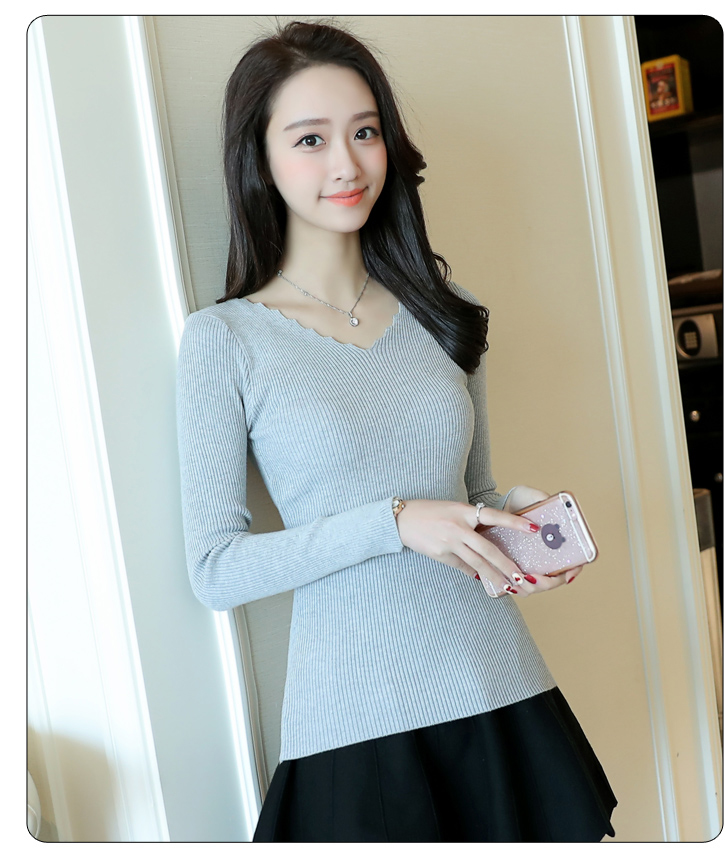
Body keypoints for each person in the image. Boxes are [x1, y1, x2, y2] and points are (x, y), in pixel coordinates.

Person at [176, 19, 617, 842]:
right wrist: (394, 521)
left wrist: (518, 528)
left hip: (500, 684)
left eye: (365, 131)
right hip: (355, 716)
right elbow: (214, 569)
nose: (347, 164)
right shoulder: (226, 340)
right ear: (259, 160)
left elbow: (471, 493)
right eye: (310, 139)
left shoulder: (446, 313)